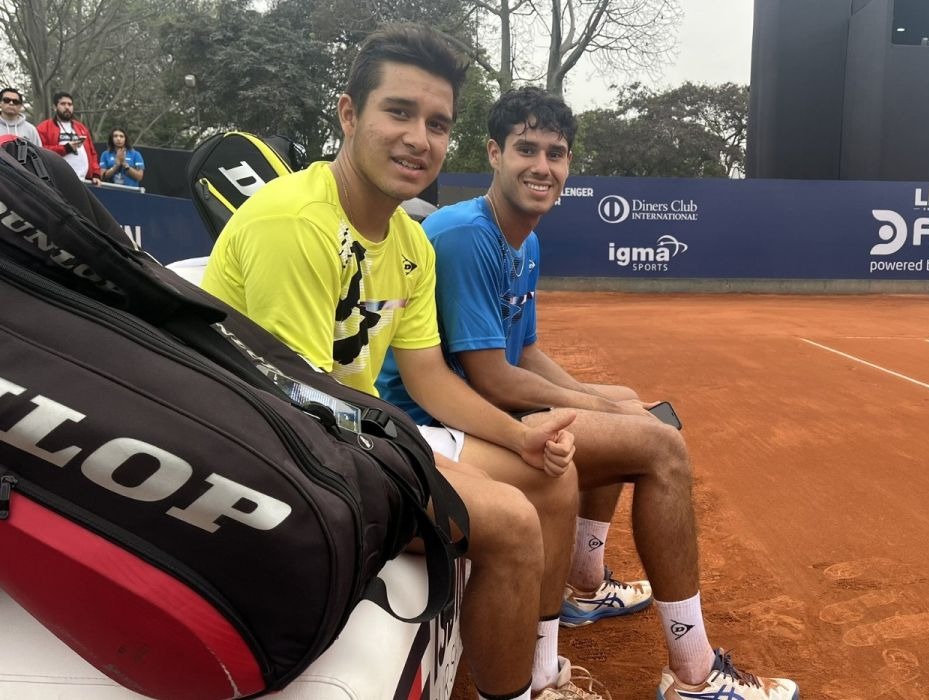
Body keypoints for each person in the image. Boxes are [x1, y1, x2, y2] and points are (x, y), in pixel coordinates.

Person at [201, 24, 604, 700]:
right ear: (349, 114)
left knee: (551, 482)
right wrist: (419, 459)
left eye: (438, 122)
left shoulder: (411, 244)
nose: (420, 137)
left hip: (354, 435)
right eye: (399, 111)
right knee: (508, 522)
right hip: (277, 452)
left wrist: (520, 435)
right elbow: (299, 402)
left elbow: (429, 380)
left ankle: (540, 675)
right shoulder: (296, 222)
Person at [378, 86, 801, 700]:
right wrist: (609, 412)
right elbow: (493, 378)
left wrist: (605, 399)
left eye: (556, 153)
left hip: (481, 408)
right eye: (526, 149)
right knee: (658, 448)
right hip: (440, 419)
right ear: (494, 153)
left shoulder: (524, 238)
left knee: (623, 403)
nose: (542, 167)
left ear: (569, 165)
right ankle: (696, 674)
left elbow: (524, 352)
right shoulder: (468, 235)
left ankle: (585, 586)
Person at [36, 91, 100, 184]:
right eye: (63, 104)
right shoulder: (44, 128)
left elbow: (92, 153)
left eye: (70, 104)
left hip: (84, 181)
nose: (67, 107)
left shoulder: (81, 128)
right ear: (55, 107)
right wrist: (65, 148)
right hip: (57, 181)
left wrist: (96, 174)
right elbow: (39, 151)